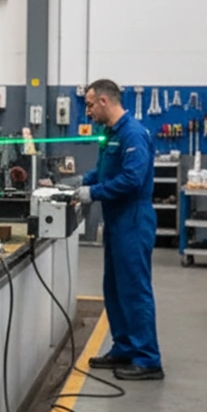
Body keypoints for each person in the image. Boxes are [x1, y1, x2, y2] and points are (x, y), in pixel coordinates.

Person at [77, 79, 164, 380]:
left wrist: (94, 193)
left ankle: (148, 358)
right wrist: (79, 183)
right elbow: (103, 171)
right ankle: (124, 347)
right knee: (113, 288)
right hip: (116, 221)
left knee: (135, 289)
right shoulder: (111, 134)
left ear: (104, 101)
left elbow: (131, 180)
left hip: (133, 220)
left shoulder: (133, 134)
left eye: (89, 104)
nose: (87, 112)